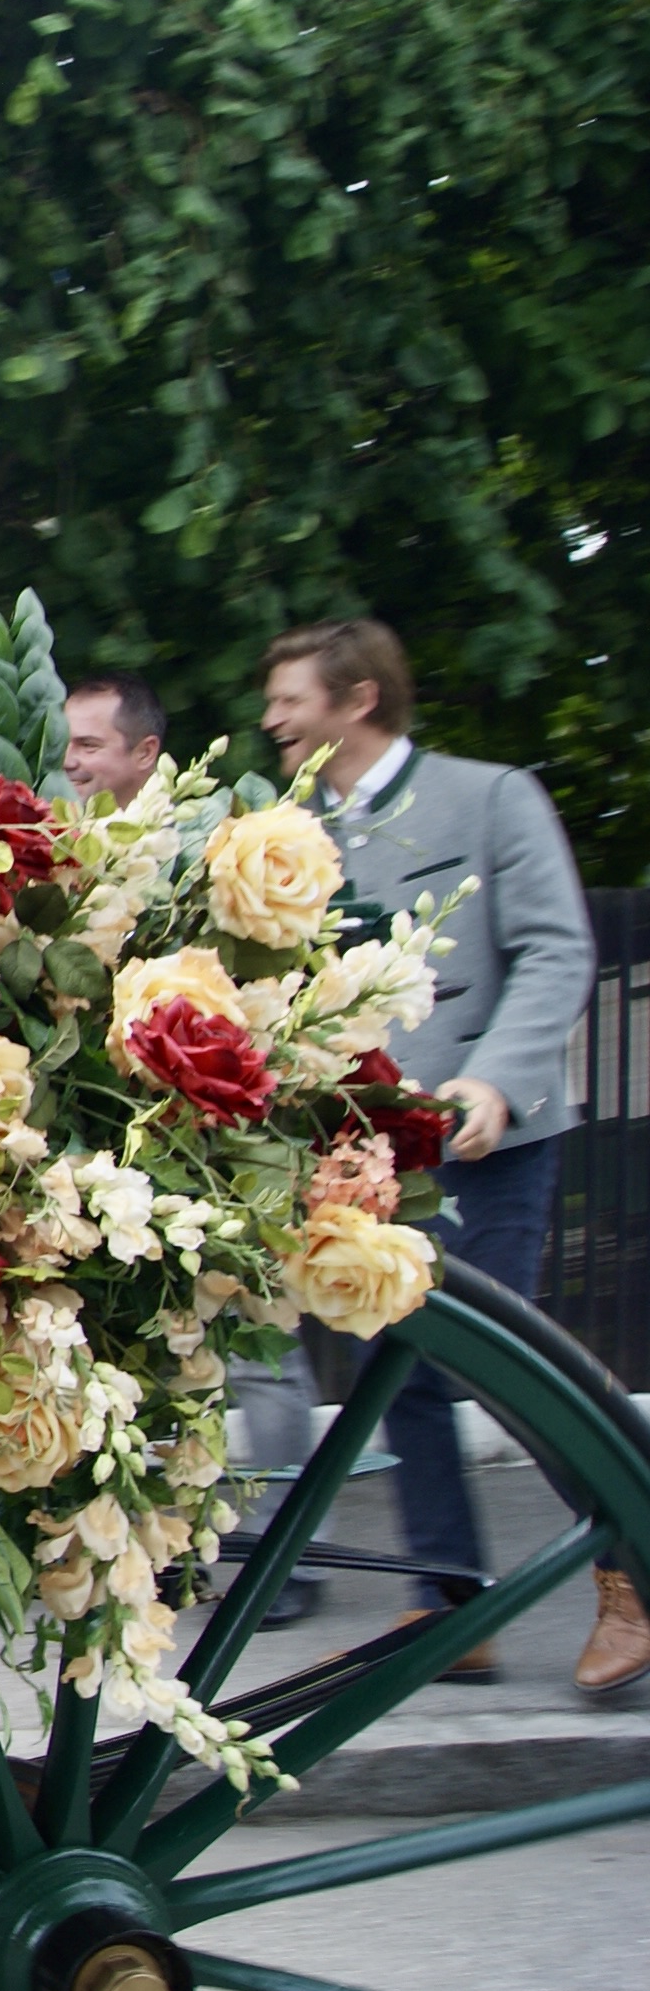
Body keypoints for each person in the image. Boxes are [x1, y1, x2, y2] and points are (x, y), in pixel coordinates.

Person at [261, 616, 632, 1692]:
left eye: (288, 699)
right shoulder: (286, 828)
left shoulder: (490, 797)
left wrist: (493, 1079)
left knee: (510, 1372)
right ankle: (446, 1606)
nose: (270, 719)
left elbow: (554, 947)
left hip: (487, 1140)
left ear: (355, 699)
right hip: (362, 1157)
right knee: (393, 1373)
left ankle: (630, 1575)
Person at [61, 670, 166, 806]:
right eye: (61, 744)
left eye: (88, 745)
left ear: (145, 753)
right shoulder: (37, 823)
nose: (66, 762)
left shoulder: (193, 825)